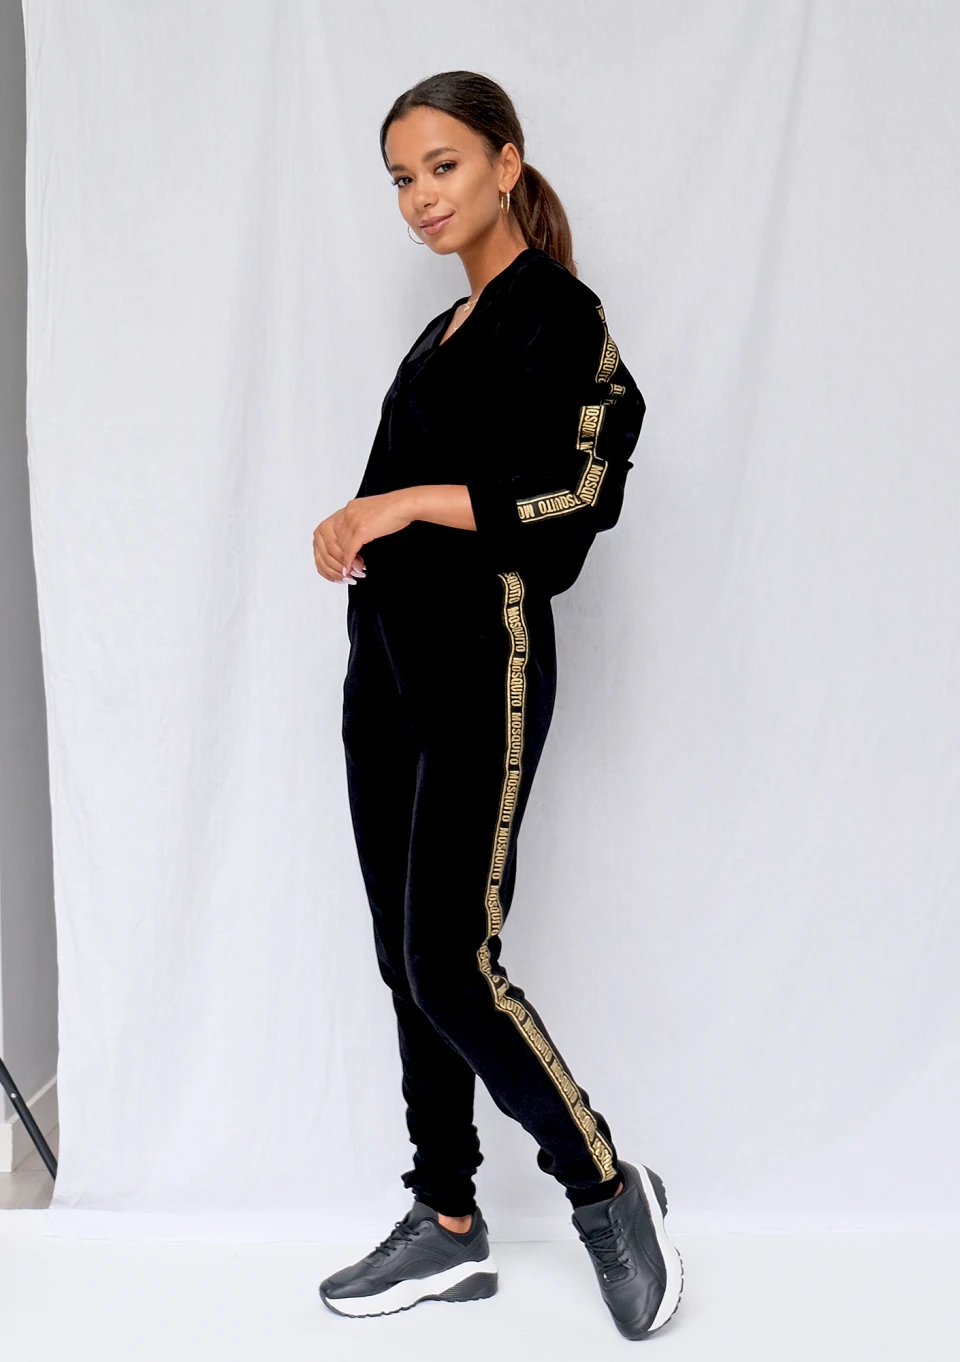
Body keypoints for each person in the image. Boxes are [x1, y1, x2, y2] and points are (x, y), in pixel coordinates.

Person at [311, 71, 684, 1342]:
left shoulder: (559, 316)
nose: (421, 197)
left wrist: (402, 504)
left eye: (443, 166)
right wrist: (351, 525)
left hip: (486, 657)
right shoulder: (437, 337)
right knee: (401, 959)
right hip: (385, 666)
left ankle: (604, 1185)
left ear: (506, 164)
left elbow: (576, 499)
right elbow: (390, 505)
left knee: (449, 962)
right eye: (401, 179)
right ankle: (447, 1216)